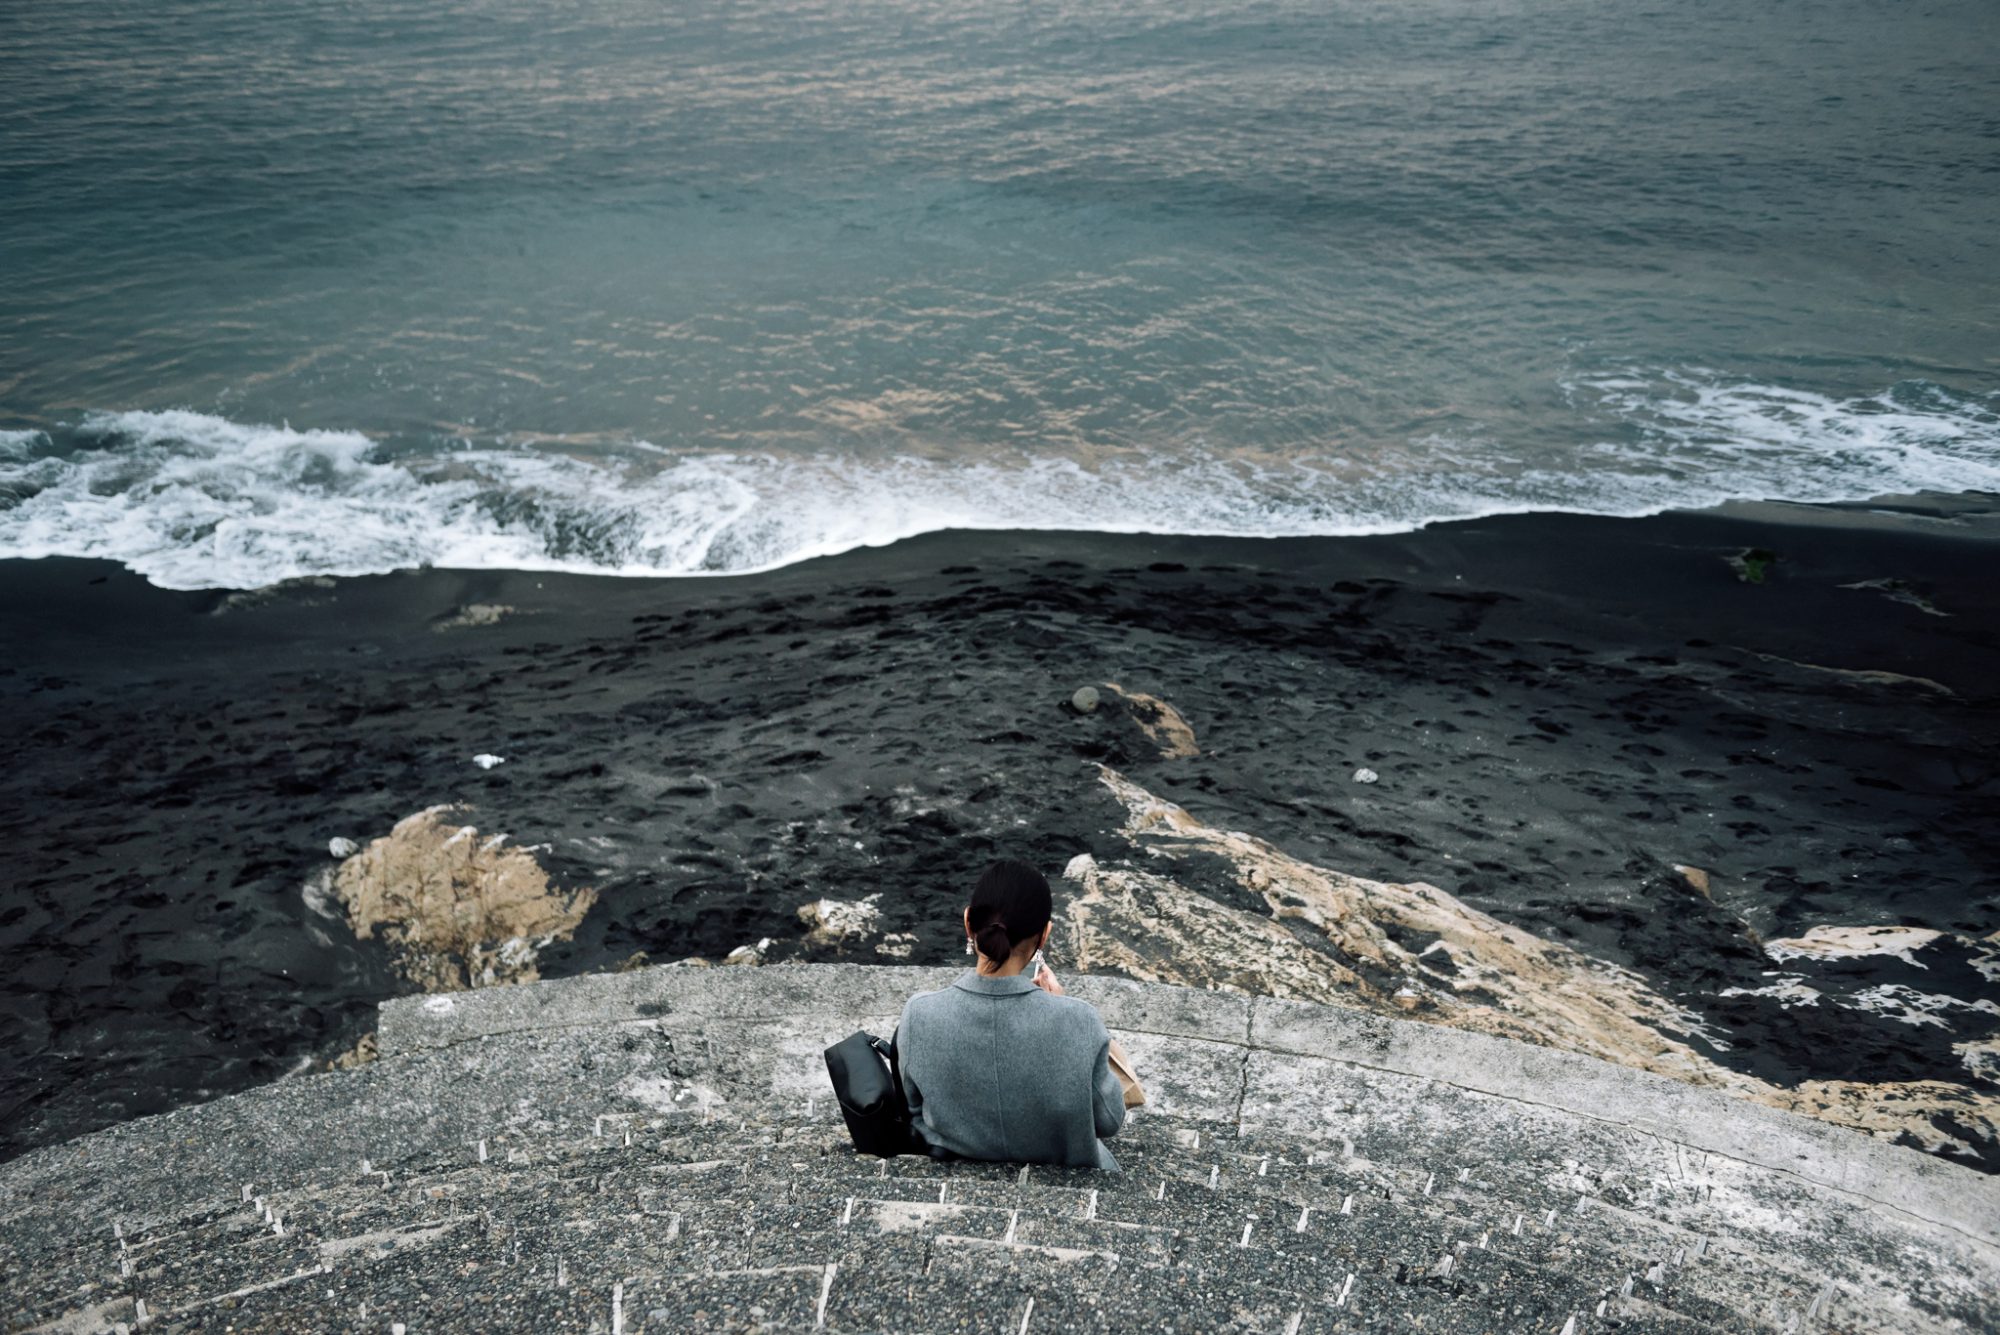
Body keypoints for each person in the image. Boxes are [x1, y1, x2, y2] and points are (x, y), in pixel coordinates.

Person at [895, 859, 1128, 1170]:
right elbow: (1110, 1120)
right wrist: (1062, 1013)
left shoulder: (919, 1014)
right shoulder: (1078, 1020)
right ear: (1044, 935)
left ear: (968, 923)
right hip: (1065, 1180)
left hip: (957, 1169)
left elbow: (913, 1110)